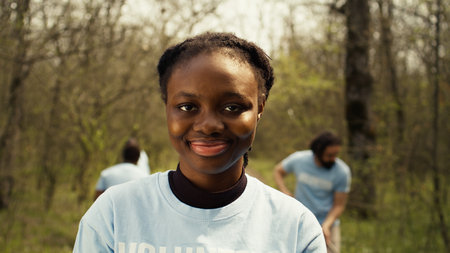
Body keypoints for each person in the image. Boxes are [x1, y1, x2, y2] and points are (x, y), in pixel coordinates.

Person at [74, 32, 326, 252]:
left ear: (260, 108)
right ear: (167, 108)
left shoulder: (295, 227)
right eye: (187, 106)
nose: (208, 125)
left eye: (232, 107)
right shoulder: (115, 213)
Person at [273, 131, 351, 253]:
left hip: (327, 225)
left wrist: (327, 224)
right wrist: (285, 192)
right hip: (300, 221)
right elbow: (278, 171)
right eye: (329, 155)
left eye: (336, 154)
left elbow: (339, 205)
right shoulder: (299, 159)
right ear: (318, 153)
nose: (333, 159)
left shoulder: (342, 172)